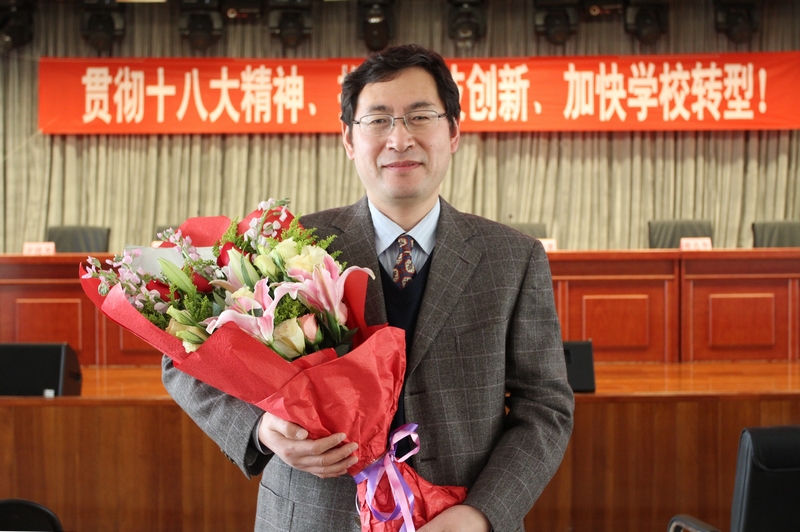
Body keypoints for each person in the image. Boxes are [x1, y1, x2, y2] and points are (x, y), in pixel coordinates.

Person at [163, 43, 574, 532]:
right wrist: (262, 428)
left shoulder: (513, 258)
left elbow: (544, 408)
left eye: (420, 117)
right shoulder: (290, 243)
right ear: (348, 139)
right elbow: (183, 358)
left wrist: (482, 515)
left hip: (456, 518)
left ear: (453, 132)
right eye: (378, 120)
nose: (399, 139)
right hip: (313, 518)